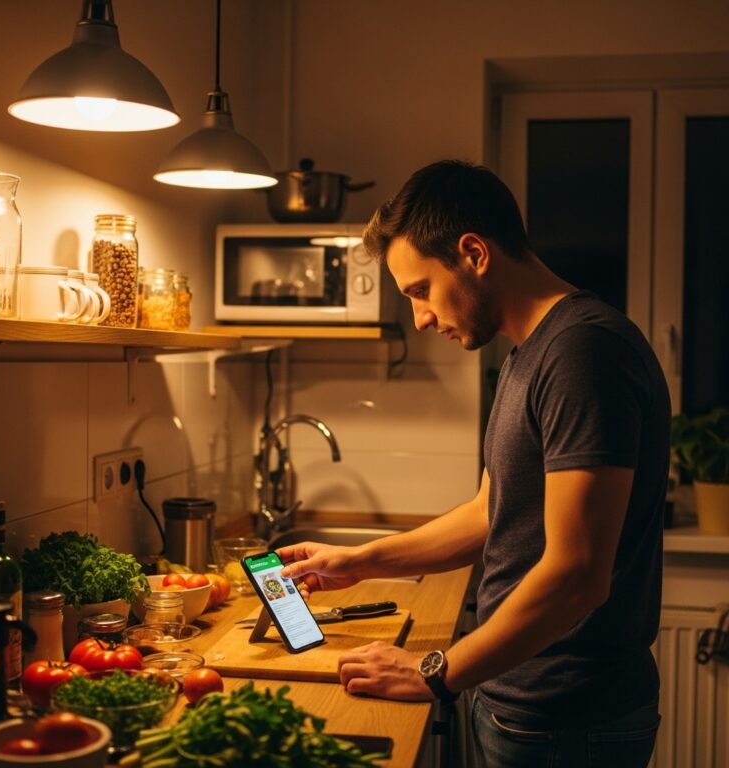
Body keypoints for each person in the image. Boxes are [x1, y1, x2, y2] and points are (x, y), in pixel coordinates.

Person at [278, 160, 671, 768]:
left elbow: (577, 575)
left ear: (474, 254)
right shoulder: (528, 355)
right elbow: (490, 512)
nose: (420, 318)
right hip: (520, 702)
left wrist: (433, 671)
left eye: (420, 290)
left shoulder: (584, 352)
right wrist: (357, 562)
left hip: (567, 721)